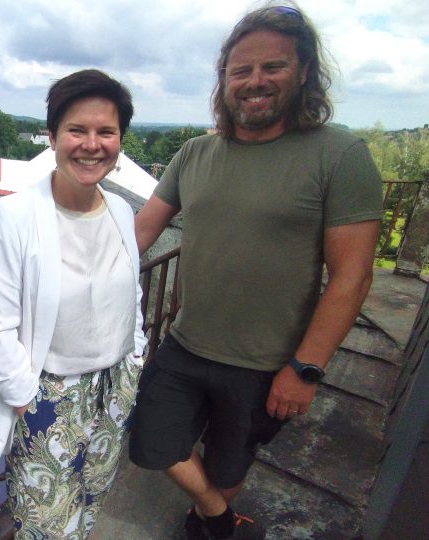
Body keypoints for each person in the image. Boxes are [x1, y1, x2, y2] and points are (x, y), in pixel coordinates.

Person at [129, 4, 383, 539]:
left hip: (267, 364)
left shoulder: (340, 155)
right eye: (240, 71)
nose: (255, 82)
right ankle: (221, 521)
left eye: (273, 67)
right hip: (185, 343)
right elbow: (138, 233)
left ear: (305, 71)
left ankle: (206, 522)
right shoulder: (195, 153)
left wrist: (306, 367)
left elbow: (353, 276)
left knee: (229, 467)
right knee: (152, 440)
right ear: (224, 81)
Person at [0, 69, 148, 538]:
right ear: (52, 136)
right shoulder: (12, 218)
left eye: (105, 131)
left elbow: (131, 290)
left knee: (91, 503)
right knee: (46, 525)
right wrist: (25, 397)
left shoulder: (121, 210)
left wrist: (135, 355)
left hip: (115, 388)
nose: (91, 144)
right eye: (77, 130)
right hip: (48, 398)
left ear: (119, 140)